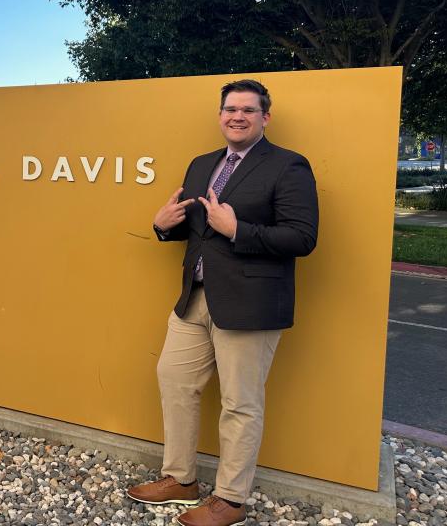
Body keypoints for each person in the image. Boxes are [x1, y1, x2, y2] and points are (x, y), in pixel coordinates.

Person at [126, 79, 319, 526]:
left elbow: (302, 237)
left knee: (240, 403)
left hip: (250, 305)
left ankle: (230, 500)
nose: (238, 116)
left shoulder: (288, 166)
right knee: (175, 382)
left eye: (248, 110)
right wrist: (162, 226)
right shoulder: (202, 164)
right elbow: (198, 227)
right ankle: (180, 478)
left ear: (264, 117)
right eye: (230, 109)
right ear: (220, 116)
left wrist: (239, 231)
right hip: (194, 299)